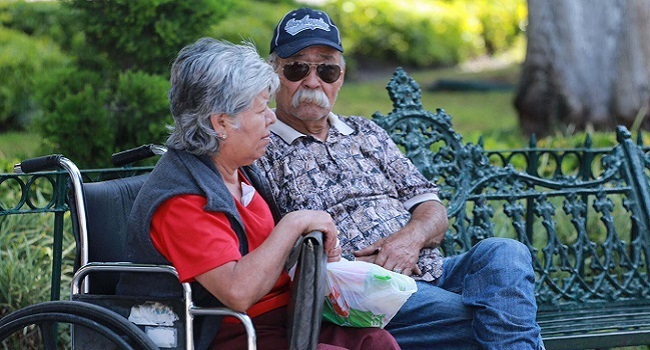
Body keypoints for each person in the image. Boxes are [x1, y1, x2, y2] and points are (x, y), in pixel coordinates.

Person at [256, 7, 545, 350]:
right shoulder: (260, 142)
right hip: (362, 293)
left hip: (432, 273)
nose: (313, 81)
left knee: (505, 251)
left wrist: (409, 239)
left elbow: (430, 206)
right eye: (297, 67)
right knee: (499, 314)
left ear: (342, 75)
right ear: (274, 73)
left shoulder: (366, 132)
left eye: (328, 69)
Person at [119, 37, 401, 350]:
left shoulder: (237, 170)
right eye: (260, 109)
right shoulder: (184, 199)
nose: (271, 117)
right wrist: (293, 224)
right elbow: (237, 292)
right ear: (221, 123)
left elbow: (266, 255)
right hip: (228, 333)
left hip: (287, 318)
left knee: (377, 341)